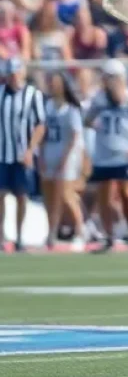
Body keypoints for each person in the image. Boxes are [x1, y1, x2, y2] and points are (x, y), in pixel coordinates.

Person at [84, 60, 128, 250]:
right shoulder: (98, 99)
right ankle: (109, 236)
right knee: (105, 195)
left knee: (127, 193)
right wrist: (95, 125)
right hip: (103, 153)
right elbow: (87, 121)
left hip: (123, 153)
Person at [0, 58, 46, 251]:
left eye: (15, 73)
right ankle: (2, 236)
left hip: (21, 153)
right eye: (10, 74)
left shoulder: (32, 94)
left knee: (21, 195)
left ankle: (19, 236)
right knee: (1, 195)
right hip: (2, 154)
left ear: (22, 72)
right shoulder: (1, 93)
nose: (13, 77)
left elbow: (40, 125)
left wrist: (30, 150)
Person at [38, 71, 85, 250]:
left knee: (66, 195)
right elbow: (42, 132)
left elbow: (74, 136)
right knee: (49, 196)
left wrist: (64, 159)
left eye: (57, 82)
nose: (53, 85)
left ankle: (81, 231)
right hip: (49, 152)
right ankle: (51, 234)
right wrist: (41, 155)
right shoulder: (47, 105)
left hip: (65, 155)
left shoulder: (70, 109)